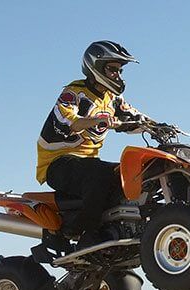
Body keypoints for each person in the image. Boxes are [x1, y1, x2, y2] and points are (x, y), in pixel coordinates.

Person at [35, 40, 149, 246]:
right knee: (98, 173)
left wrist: (157, 125)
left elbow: (135, 117)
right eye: (113, 69)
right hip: (57, 164)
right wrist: (96, 120)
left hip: (87, 163)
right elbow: (67, 121)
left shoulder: (113, 98)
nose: (118, 76)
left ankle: (117, 228)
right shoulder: (73, 93)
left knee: (128, 173)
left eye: (120, 71)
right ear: (96, 66)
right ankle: (85, 232)